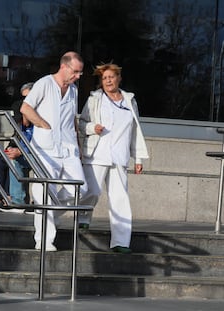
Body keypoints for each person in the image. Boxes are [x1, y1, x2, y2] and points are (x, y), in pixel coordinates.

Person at [20, 51, 88, 252]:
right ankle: (44, 240)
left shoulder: (74, 90)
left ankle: (51, 215)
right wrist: (42, 124)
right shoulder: (44, 83)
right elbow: (25, 108)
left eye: (80, 73)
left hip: (68, 148)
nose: (78, 76)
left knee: (80, 190)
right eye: (75, 72)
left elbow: (72, 120)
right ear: (64, 67)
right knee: (44, 193)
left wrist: (79, 145)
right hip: (46, 148)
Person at [78, 63, 149, 254]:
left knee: (120, 199)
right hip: (97, 153)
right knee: (91, 190)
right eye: (104, 78)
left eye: (111, 77)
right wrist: (93, 128)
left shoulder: (129, 100)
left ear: (119, 78)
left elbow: (135, 131)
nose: (108, 81)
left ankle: (121, 241)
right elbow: (81, 124)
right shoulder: (95, 99)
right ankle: (83, 218)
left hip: (120, 157)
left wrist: (139, 158)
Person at [0, 82, 33, 213]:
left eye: (29, 97)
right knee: (0, 161)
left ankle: (9, 197)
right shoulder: (19, 105)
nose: (27, 100)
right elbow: (22, 125)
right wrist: (26, 108)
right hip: (18, 141)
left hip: (32, 147)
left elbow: (29, 124)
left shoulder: (42, 107)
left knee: (11, 161)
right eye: (24, 97)